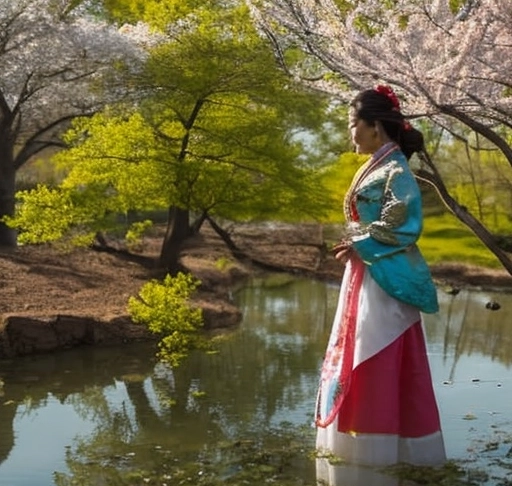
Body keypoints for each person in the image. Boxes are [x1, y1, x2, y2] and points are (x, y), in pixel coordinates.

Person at [315, 86, 446, 475]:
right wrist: (358, 245)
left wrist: (360, 243)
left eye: (353, 124)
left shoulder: (395, 169)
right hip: (369, 271)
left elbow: (404, 224)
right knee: (358, 348)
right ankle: (367, 446)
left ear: (375, 126)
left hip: (384, 281)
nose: (349, 133)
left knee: (374, 352)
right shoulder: (378, 163)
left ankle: (376, 452)